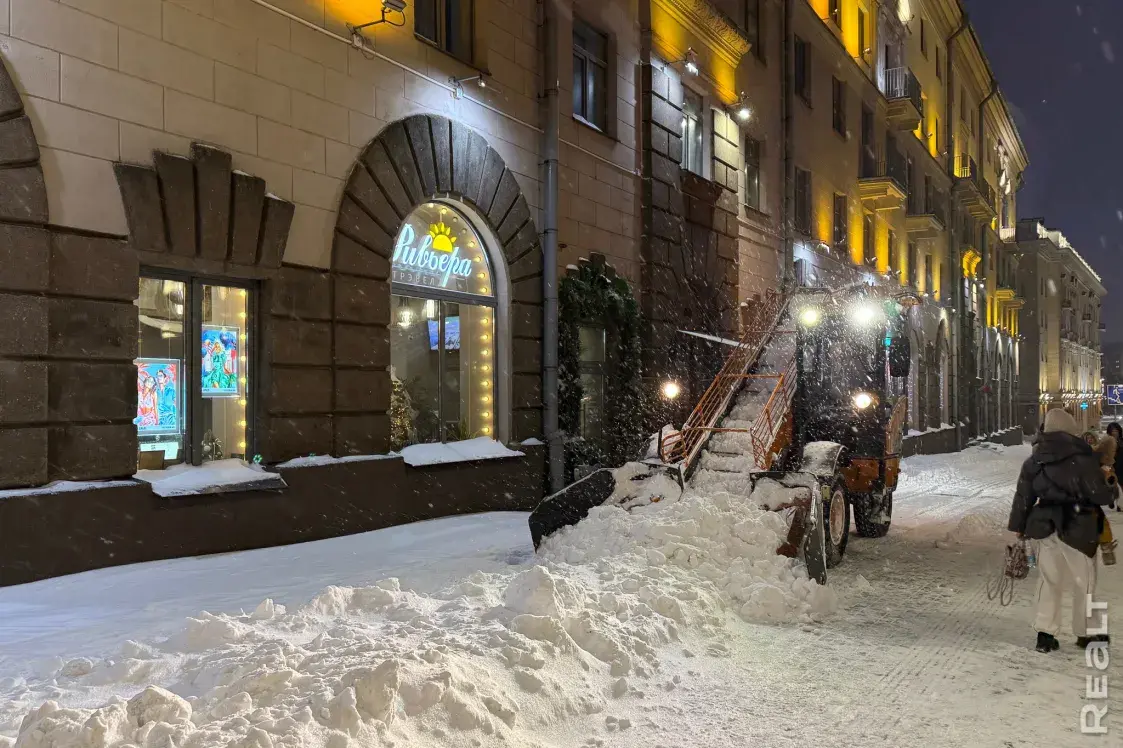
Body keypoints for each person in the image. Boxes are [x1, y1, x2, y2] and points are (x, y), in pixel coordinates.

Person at [1009, 408, 1114, 653]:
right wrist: (1111, 487)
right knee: (1084, 582)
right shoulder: (1084, 459)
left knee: (1049, 580)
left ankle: (1045, 633)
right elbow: (1098, 494)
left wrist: (1019, 526)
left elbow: (1024, 495)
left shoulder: (1035, 460)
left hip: (1045, 525)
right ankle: (1087, 633)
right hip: (1079, 525)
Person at [1107, 422, 1123, 510]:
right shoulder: (1107, 440)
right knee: (1112, 485)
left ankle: (1119, 504)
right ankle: (1111, 499)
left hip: (1121, 465)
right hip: (1111, 465)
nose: (1115, 432)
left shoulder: (1121, 441)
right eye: (1113, 431)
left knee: (1120, 484)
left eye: (1116, 431)